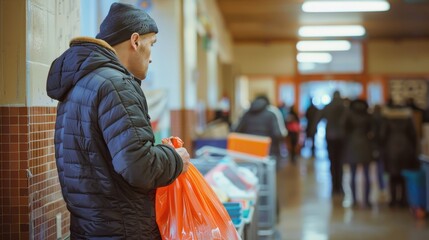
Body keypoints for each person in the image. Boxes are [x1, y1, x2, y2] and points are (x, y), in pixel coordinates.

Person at [46, 3, 190, 239]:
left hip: (87, 229)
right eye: (151, 44)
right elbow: (137, 166)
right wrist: (175, 158)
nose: (151, 57)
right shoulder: (117, 85)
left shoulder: (79, 83)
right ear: (135, 41)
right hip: (123, 229)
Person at [381, 100, 419, 208]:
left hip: (391, 149)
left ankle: (393, 200)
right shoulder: (407, 118)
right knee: (404, 176)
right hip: (406, 150)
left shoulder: (387, 119)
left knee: (393, 176)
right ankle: (403, 200)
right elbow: (413, 135)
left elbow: (382, 135)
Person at [234, 95, 287, 167]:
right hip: (268, 153)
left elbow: (236, 131)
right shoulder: (272, 113)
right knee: (268, 176)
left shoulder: (246, 113)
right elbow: (278, 134)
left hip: (248, 154)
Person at [341, 99, 374, 208]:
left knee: (352, 174)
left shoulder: (349, 115)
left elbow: (343, 128)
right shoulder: (368, 115)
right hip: (365, 144)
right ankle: (367, 200)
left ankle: (354, 199)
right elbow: (372, 130)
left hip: (352, 145)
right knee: (367, 175)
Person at [316, 90, 347, 195]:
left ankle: (334, 187)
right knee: (340, 162)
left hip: (330, 137)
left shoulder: (328, 107)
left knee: (332, 162)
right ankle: (340, 186)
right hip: (342, 138)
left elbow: (318, 119)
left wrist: (311, 133)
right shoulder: (344, 107)